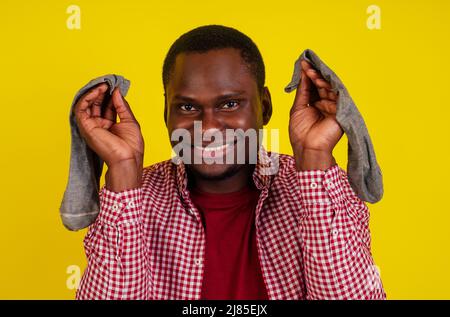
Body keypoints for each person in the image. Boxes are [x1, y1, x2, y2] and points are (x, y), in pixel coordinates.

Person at [74, 25, 385, 300]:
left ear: (264, 106)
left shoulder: (316, 187)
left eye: (230, 103)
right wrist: (124, 167)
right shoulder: (133, 198)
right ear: (166, 114)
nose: (208, 127)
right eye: (187, 106)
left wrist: (315, 157)